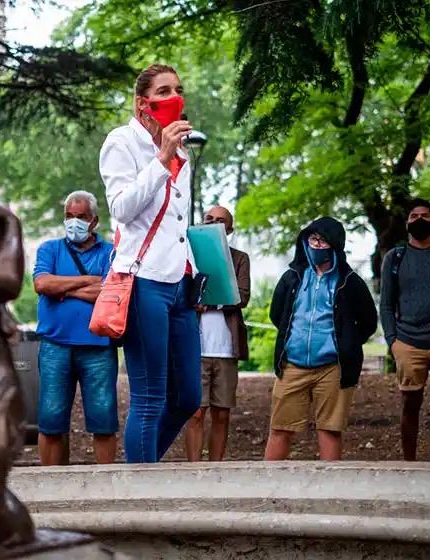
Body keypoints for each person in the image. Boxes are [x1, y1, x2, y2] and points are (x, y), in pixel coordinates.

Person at [99, 63, 201, 463]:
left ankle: (139, 473)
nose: (174, 97)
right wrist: (160, 159)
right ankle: (136, 494)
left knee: (188, 396)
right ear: (144, 103)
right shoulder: (121, 142)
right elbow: (122, 209)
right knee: (149, 397)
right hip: (143, 283)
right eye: (163, 91)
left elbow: (178, 222)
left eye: (177, 89)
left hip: (180, 282)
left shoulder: (182, 151)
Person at [265, 217, 377, 461]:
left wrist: (345, 343)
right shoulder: (292, 277)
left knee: (329, 429)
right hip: (292, 364)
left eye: (323, 240)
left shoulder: (350, 282)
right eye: (312, 239)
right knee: (280, 428)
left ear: (335, 245)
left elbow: (368, 322)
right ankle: (267, 484)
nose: (316, 245)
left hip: (332, 368)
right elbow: (277, 315)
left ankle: (330, 489)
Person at [33, 191, 118, 465]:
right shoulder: (49, 249)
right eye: (69, 216)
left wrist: (63, 287)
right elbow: (42, 285)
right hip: (54, 346)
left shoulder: (111, 252)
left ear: (94, 221)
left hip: (98, 347)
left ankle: (108, 489)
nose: (74, 222)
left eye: (81, 217)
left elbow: (109, 292)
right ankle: (50, 486)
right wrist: (86, 282)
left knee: (104, 420)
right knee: (50, 420)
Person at [379, 198, 430, 461]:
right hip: (408, 343)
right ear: (407, 223)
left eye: (425, 216)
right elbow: (387, 305)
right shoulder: (395, 257)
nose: (420, 221)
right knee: (409, 406)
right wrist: (393, 342)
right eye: (414, 216)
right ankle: (409, 464)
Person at [184, 206, 251, 462]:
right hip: (195, 349)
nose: (214, 223)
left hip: (225, 349)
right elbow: (183, 298)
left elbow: (241, 296)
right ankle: (194, 471)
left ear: (230, 229)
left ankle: (215, 469)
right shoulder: (189, 257)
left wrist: (209, 303)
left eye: (221, 221)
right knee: (195, 412)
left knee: (222, 414)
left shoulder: (239, 259)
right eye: (209, 219)